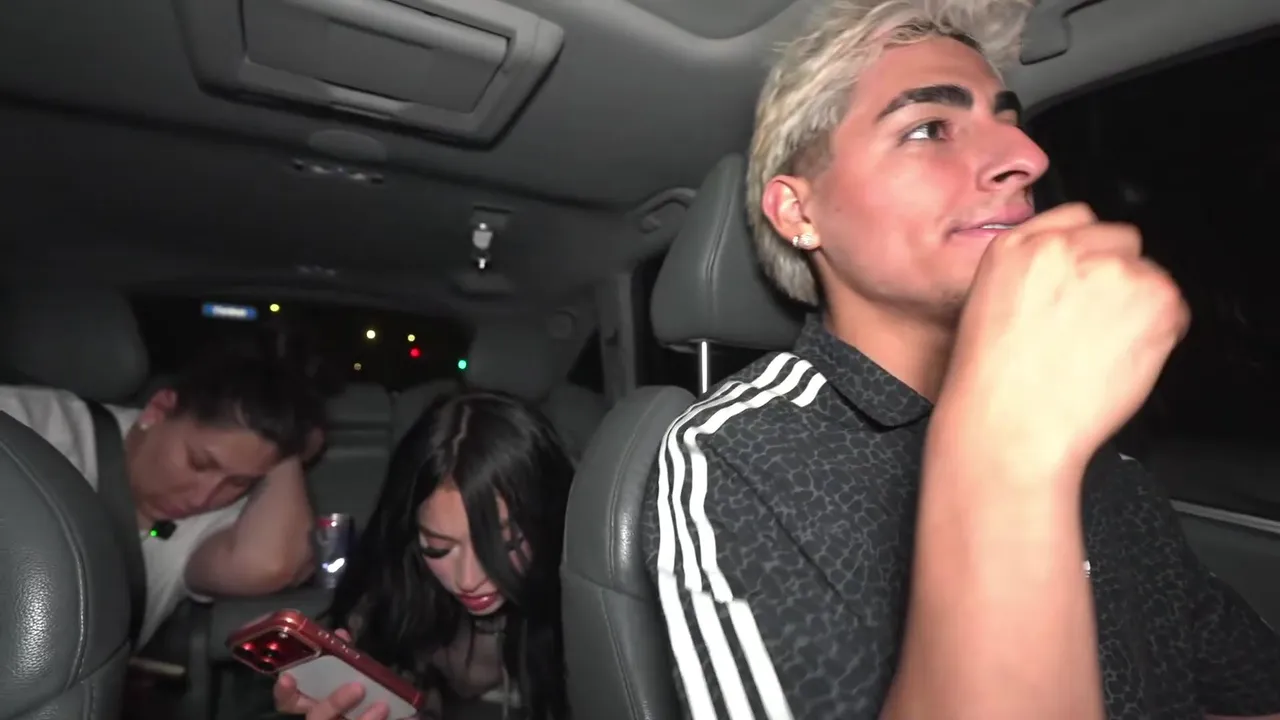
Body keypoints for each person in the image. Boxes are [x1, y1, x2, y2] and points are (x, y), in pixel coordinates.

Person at [640, 1, 1280, 719]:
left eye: (1010, 122)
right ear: (799, 213)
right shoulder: (737, 453)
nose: (1027, 157)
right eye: (928, 129)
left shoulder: (1101, 461)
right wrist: (1008, 453)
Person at [0, 341, 326, 648]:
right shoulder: (28, 427)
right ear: (158, 409)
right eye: (199, 463)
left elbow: (268, 565)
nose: (202, 498)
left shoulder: (212, 522)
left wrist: (287, 453)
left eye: (239, 482)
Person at [272, 389, 574, 720]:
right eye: (438, 547)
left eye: (506, 544)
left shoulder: (587, 606)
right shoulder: (395, 590)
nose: (468, 580)